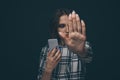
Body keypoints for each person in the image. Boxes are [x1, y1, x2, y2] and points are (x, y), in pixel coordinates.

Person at [37, 9, 93, 80]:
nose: (67, 30)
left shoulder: (82, 45)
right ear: (56, 28)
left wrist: (80, 51)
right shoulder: (46, 50)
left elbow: (88, 57)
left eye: (70, 25)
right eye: (62, 26)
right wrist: (48, 69)